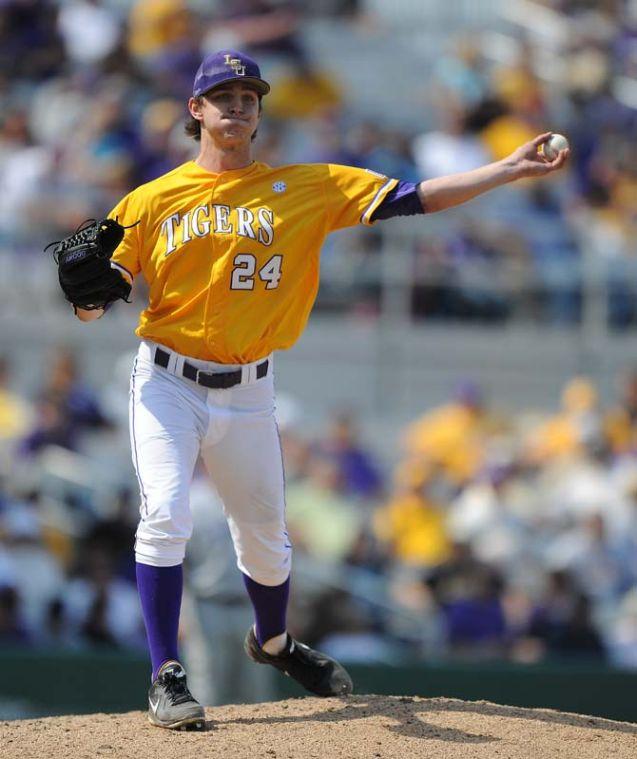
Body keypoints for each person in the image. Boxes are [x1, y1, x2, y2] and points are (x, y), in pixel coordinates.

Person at [73, 49, 569, 730]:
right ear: (196, 110)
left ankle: (273, 642)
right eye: (224, 96)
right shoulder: (151, 199)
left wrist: (508, 169)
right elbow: (96, 297)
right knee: (164, 515)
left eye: (249, 96)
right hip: (166, 381)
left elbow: (412, 197)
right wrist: (85, 297)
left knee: (268, 540)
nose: (238, 106)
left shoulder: (307, 185)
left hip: (249, 387)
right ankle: (164, 674)